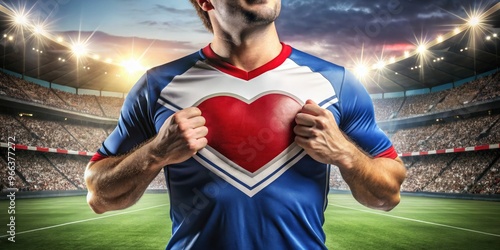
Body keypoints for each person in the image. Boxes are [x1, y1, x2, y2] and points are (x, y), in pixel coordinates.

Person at [84, 0, 407, 249]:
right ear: (205, 1)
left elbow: (388, 194)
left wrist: (345, 153)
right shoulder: (157, 86)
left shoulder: (337, 83)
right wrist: (155, 153)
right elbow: (99, 194)